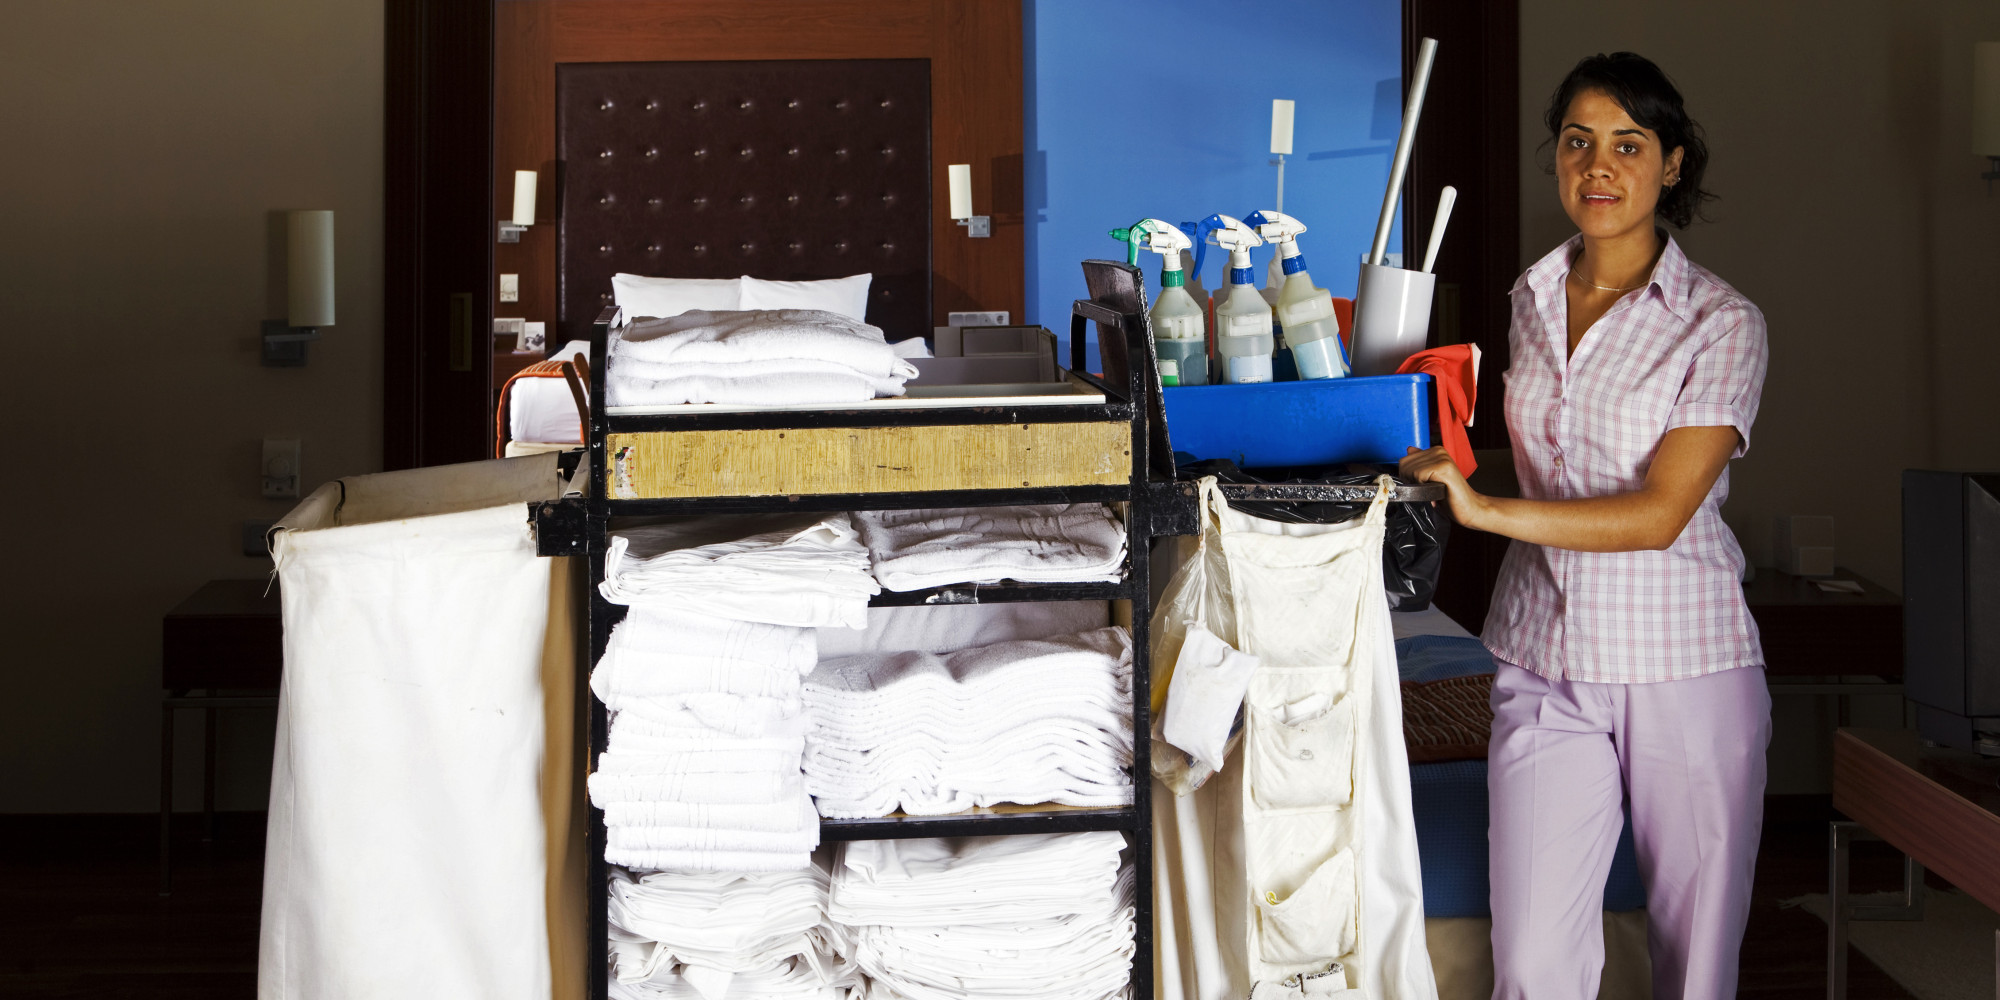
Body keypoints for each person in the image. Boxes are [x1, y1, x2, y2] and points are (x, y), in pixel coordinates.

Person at [1399, 52, 1770, 1000]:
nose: (1598, 167)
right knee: (1531, 965)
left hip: (1682, 665)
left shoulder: (1720, 323)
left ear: (1672, 164)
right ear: (1556, 159)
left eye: (1627, 144)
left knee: (1696, 967)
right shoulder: (1531, 301)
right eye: (1578, 142)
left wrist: (1481, 510)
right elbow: (1540, 444)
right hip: (1543, 654)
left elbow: (1658, 514)